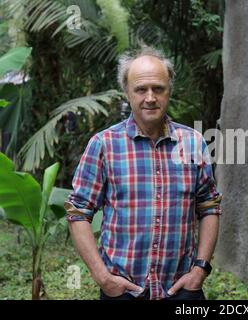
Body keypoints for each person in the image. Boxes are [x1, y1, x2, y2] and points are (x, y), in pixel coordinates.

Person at [64, 46, 222, 300]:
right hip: (122, 291)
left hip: (181, 289)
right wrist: (102, 277)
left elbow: (209, 207)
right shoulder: (103, 145)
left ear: (169, 90)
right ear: (127, 92)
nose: (150, 97)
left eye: (158, 88)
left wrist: (200, 269)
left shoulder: (193, 143)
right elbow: (78, 212)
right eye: (141, 89)